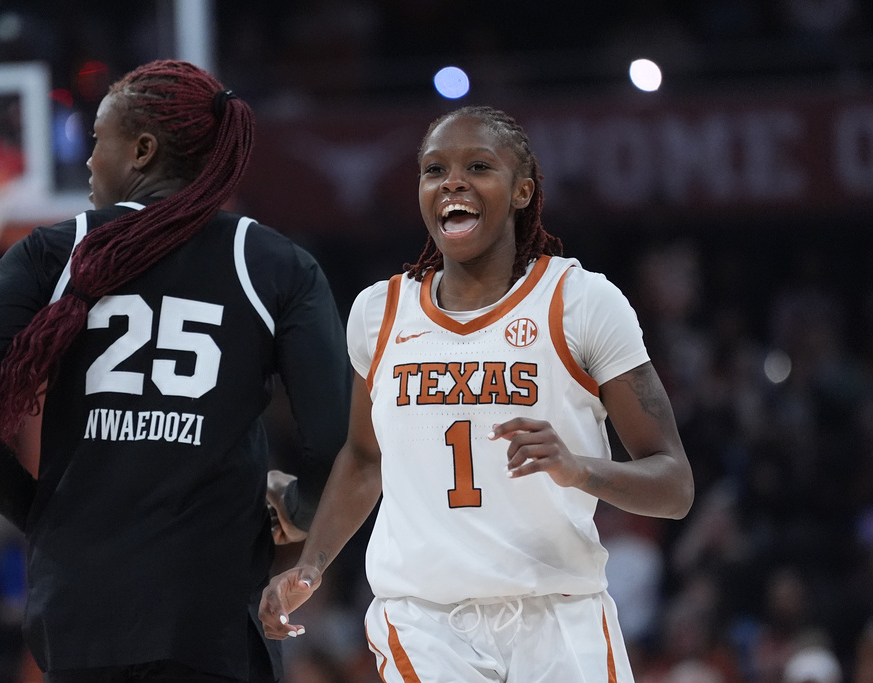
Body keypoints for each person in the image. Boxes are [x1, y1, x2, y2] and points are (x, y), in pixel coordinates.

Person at [0, 60, 351, 683]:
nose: (89, 160)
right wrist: (299, 510)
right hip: (210, 614)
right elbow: (332, 441)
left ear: (142, 151)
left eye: (99, 140)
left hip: (81, 613)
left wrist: (32, 507)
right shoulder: (274, 263)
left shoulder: (58, 250)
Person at [258, 105, 694, 682]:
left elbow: (674, 486)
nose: (453, 182)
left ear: (522, 191)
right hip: (425, 618)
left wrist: (578, 469)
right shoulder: (379, 312)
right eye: (434, 170)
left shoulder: (582, 302)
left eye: (479, 166)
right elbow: (364, 459)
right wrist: (310, 567)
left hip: (561, 612)